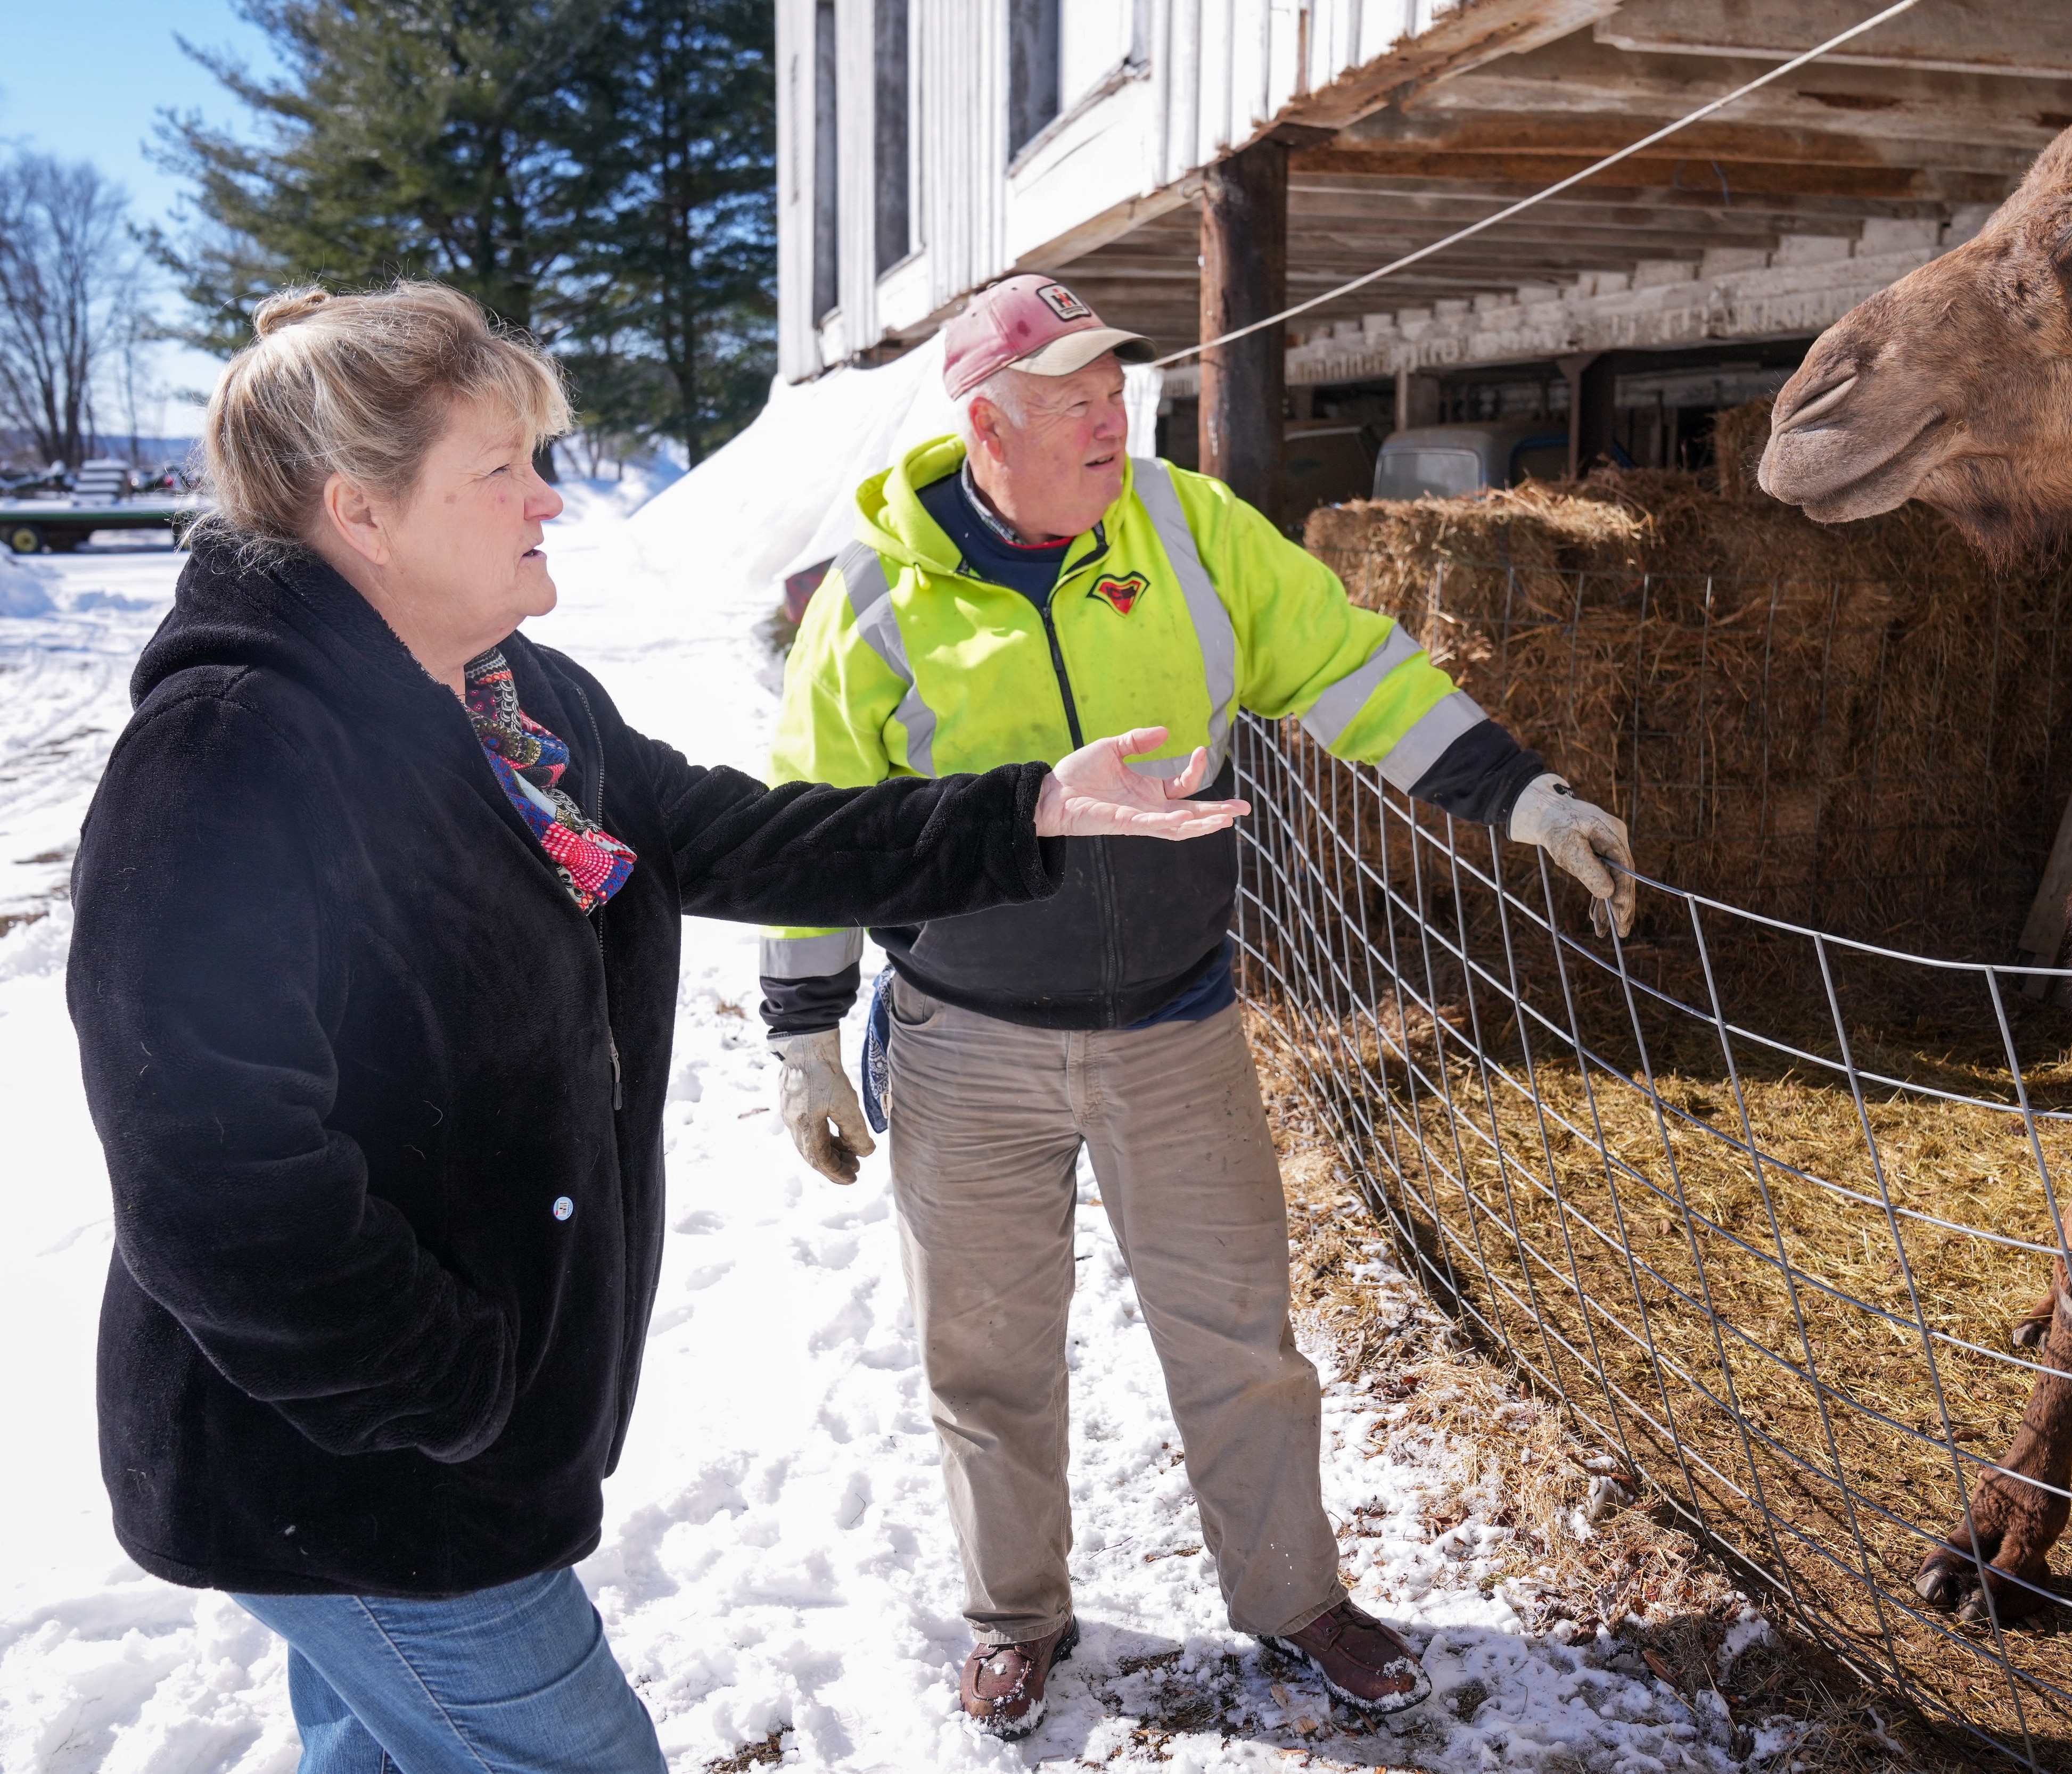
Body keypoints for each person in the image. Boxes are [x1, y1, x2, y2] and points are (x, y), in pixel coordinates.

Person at [65, 280, 1246, 1774]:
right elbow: (209, 1174)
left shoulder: (511, 702)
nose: (548, 498)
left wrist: (1032, 810)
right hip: (361, 1478)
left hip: (414, 1454)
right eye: (498, 470)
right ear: (362, 515)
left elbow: (735, 836)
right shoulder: (232, 757)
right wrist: (455, 1394)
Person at [760, 273, 1637, 1737]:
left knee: (1239, 1338)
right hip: (967, 1041)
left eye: (1118, 390)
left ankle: (1295, 1600)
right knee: (985, 1352)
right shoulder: (871, 594)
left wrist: (1520, 794)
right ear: (986, 423)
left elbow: (1347, 665)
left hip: (1176, 1023)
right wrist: (800, 1033)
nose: (1114, 417)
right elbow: (812, 818)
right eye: (1074, 401)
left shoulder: (1182, 528)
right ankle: (1015, 1613)